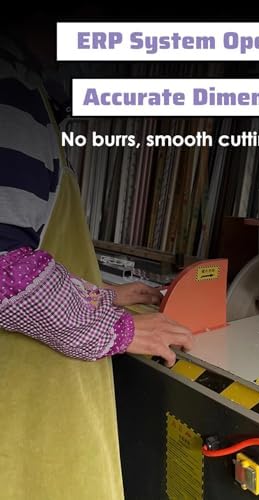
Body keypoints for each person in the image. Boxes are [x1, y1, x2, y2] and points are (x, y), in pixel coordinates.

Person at [0, 30, 193, 500]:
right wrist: (119, 329)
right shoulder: (12, 94)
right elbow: (5, 268)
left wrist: (102, 295)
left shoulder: (29, 92)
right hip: (23, 403)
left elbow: (26, 255)